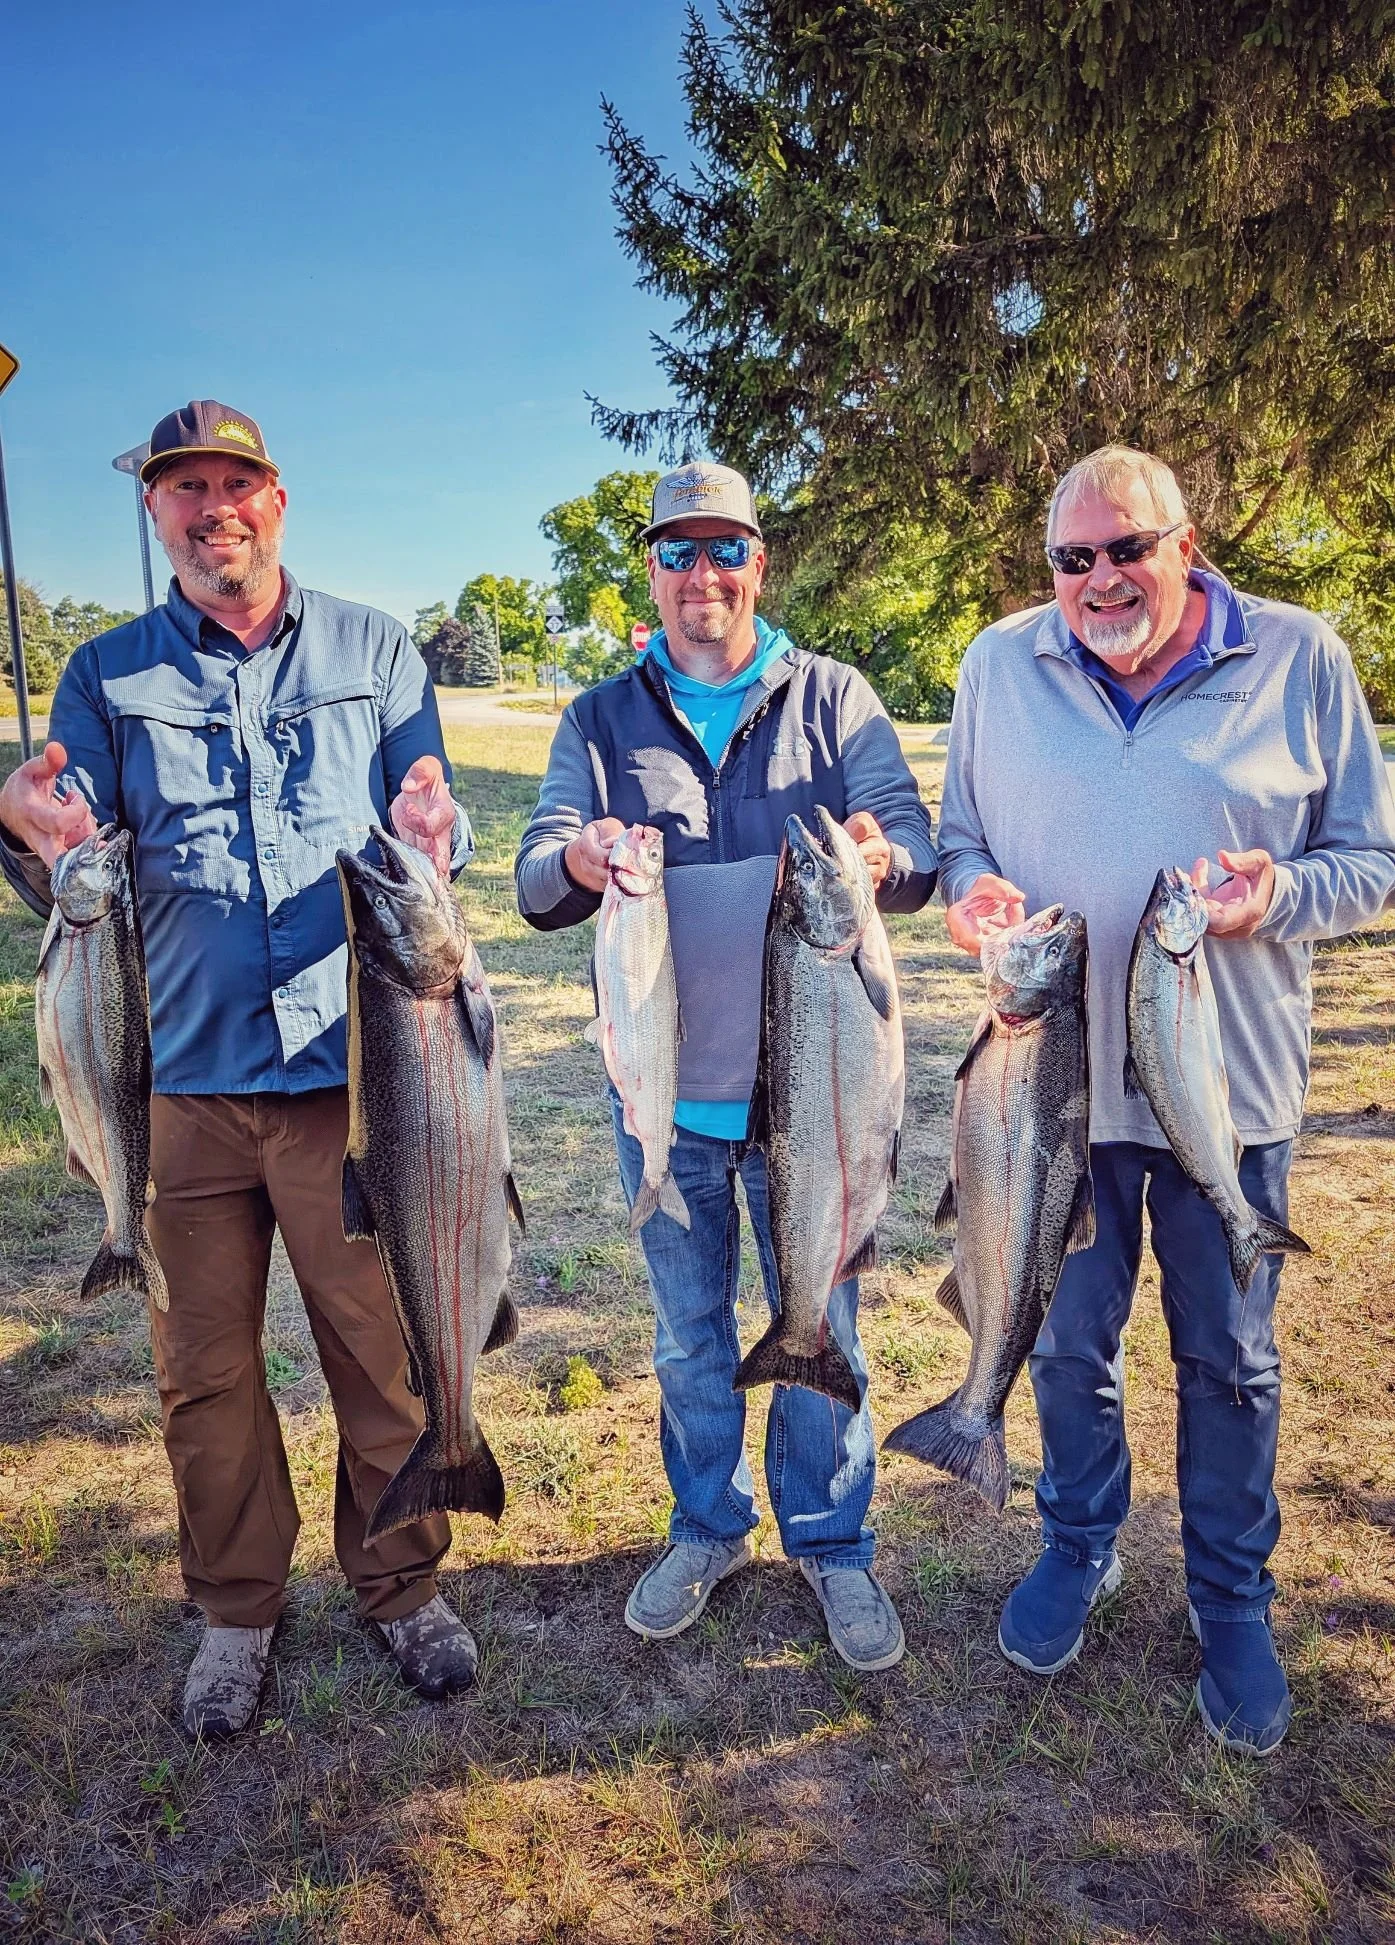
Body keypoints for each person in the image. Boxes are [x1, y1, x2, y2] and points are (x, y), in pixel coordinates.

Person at [0, 400, 481, 1738]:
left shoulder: (377, 650)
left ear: (278, 499)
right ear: (156, 513)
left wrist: (436, 821)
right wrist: (22, 822)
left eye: (236, 485)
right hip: (179, 1093)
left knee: (379, 1353)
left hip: (351, 1074)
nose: (215, 509)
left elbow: (421, 806)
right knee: (202, 1371)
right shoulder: (104, 672)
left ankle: (399, 1584)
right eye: (186, 490)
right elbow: (62, 830)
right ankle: (234, 1610)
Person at [937, 444, 1395, 1753]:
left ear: (1184, 543)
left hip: (1225, 1098)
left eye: (1125, 548)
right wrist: (970, 892)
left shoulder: (1298, 658)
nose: (1098, 579)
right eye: (1070, 558)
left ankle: (1229, 1600)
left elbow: (1366, 864)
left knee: (1229, 1361)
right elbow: (962, 832)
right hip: (1048, 1102)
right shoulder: (995, 662)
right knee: (1064, 1346)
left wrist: (1280, 897)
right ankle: (1077, 1542)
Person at [515, 462, 937, 1671]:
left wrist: (878, 850)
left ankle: (833, 1538)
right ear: (650, 571)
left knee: (827, 1322)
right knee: (690, 1335)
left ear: (762, 562)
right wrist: (584, 854)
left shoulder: (835, 696)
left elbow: (910, 845)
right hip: (670, 1105)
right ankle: (706, 1525)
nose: (705, 574)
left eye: (727, 549)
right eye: (679, 551)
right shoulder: (601, 716)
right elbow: (538, 870)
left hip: (816, 1098)